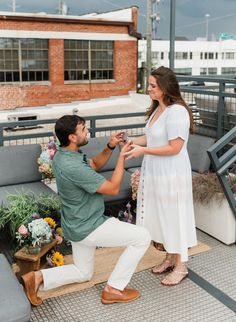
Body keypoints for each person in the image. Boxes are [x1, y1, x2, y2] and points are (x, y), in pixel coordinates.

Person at [21, 115, 151, 306]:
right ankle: (113, 289)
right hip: (89, 225)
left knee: (83, 273)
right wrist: (122, 156)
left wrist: (111, 146)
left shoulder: (64, 154)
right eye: (83, 129)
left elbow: (95, 165)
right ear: (72, 137)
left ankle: (37, 278)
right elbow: (113, 188)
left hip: (75, 224)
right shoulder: (72, 166)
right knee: (142, 237)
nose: (87, 131)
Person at [125, 66, 197, 286]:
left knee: (174, 215)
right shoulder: (158, 109)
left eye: (152, 86)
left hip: (171, 173)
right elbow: (151, 139)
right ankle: (169, 257)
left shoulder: (177, 112)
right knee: (162, 216)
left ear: (165, 88)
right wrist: (129, 140)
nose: (148, 89)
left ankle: (181, 266)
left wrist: (142, 151)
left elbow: (174, 147)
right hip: (157, 171)